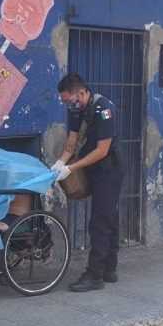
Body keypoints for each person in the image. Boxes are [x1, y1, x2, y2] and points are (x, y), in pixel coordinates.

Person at [51, 73, 123, 292]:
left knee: (100, 221)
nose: (67, 105)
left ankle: (95, 275)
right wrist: (59, 163)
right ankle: (109, 269)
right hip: (93, 168)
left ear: (81, 93)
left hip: (109, 168)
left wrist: (71, 168)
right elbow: (71, 141)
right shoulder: (77, 110)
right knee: (109, 216)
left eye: (68, 100)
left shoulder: (104, 109)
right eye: (63, 101)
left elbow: (101, 150)